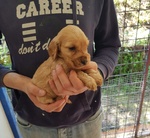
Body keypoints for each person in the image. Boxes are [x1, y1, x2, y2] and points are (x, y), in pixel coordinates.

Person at [0, 0, 121, 138]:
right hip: (33, 123)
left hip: (87, 119)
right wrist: (24, 84)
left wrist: (98, 70)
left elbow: (110, 45)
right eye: (72, 48)